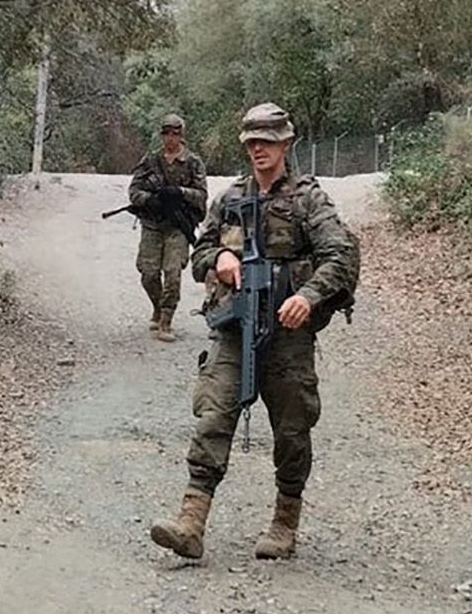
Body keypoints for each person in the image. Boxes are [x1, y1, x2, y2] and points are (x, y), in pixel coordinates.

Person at [150, 102, 360, 563]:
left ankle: (285, 521)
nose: (258, 149)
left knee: (291, 429)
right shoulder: (230, 199)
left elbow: (340, 256)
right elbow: (200, 251)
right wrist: (219, 261)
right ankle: (191, 522)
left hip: (287, 333)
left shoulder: (308, 199)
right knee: (213, 414)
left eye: (267, 141)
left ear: (286, 144)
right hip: (234, 326)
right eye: (251, 142)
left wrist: (307, 295)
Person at [126, 113, 208, 342]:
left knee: (172, 274)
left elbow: (202, 196)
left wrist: (180, 193)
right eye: (167, 133)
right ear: (161, 135)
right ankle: (158, 306)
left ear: (182, 135)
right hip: (152, 224)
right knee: (148, 273)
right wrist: (149, 200)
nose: (171, 138)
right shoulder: (151, 161)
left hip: (177, 227)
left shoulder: (193, 162)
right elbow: (134, 191)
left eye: (175, 133)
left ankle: (166, 321)